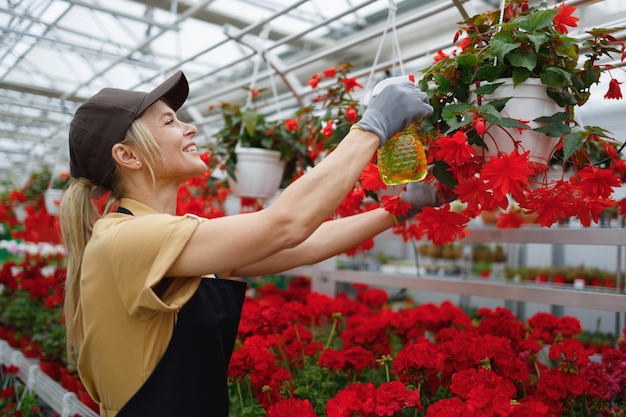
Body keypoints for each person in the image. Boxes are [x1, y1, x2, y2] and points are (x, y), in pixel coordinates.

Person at [59, 70, 440, 417]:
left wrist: (402, 208)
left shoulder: (160, 236)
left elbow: (301, 246)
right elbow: (284, 225)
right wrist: (372, 127)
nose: (190, 128)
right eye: (170, 121)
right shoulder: (125, 237)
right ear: (127, 155)